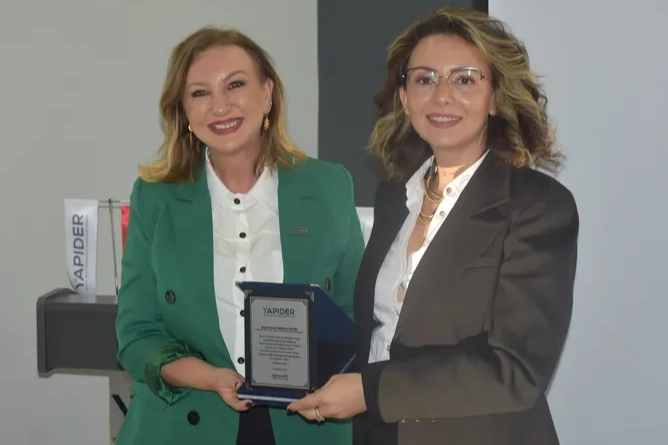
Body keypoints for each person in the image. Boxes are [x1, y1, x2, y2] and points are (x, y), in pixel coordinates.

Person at [287, 7, 579, 445]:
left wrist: (369, 392)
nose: (442, 96)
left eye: (465, 79)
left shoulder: (538, 206)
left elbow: (515, 370)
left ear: (496, 98)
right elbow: (381, 332)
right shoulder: (395, 197)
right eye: (424, 79)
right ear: (405, 98)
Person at [114, 26, 364, 445]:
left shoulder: (328, 186)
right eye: (200, 93)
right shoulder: (154, 198)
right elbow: (136, 333)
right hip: (183, 425)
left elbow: (356, 313)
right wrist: (209, 377)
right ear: (184, 112)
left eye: (235, 85)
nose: (220, 106)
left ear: (267, 94)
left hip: (306, 423)